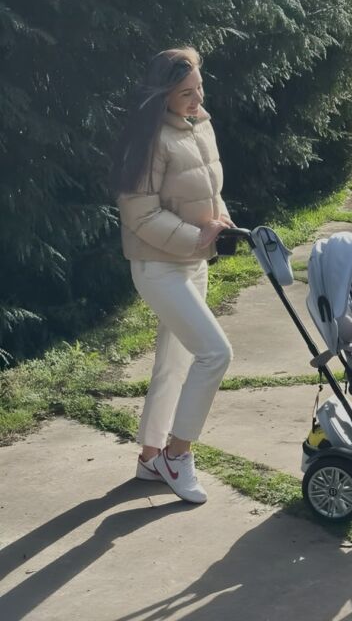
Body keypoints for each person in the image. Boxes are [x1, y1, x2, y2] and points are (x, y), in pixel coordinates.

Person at [111, 46, 234, 504]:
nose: (197, 97)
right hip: (157, 266)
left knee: (176, 363)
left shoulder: (199, 123)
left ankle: (150, 459)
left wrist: (222, 224)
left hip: (192, 260)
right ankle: (177, 455)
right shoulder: (147, 140)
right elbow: (140, 217)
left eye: (199, 86)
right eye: (186, 92)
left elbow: (209, 189)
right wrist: (199, 237)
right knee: (216, 354)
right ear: (162, 93)